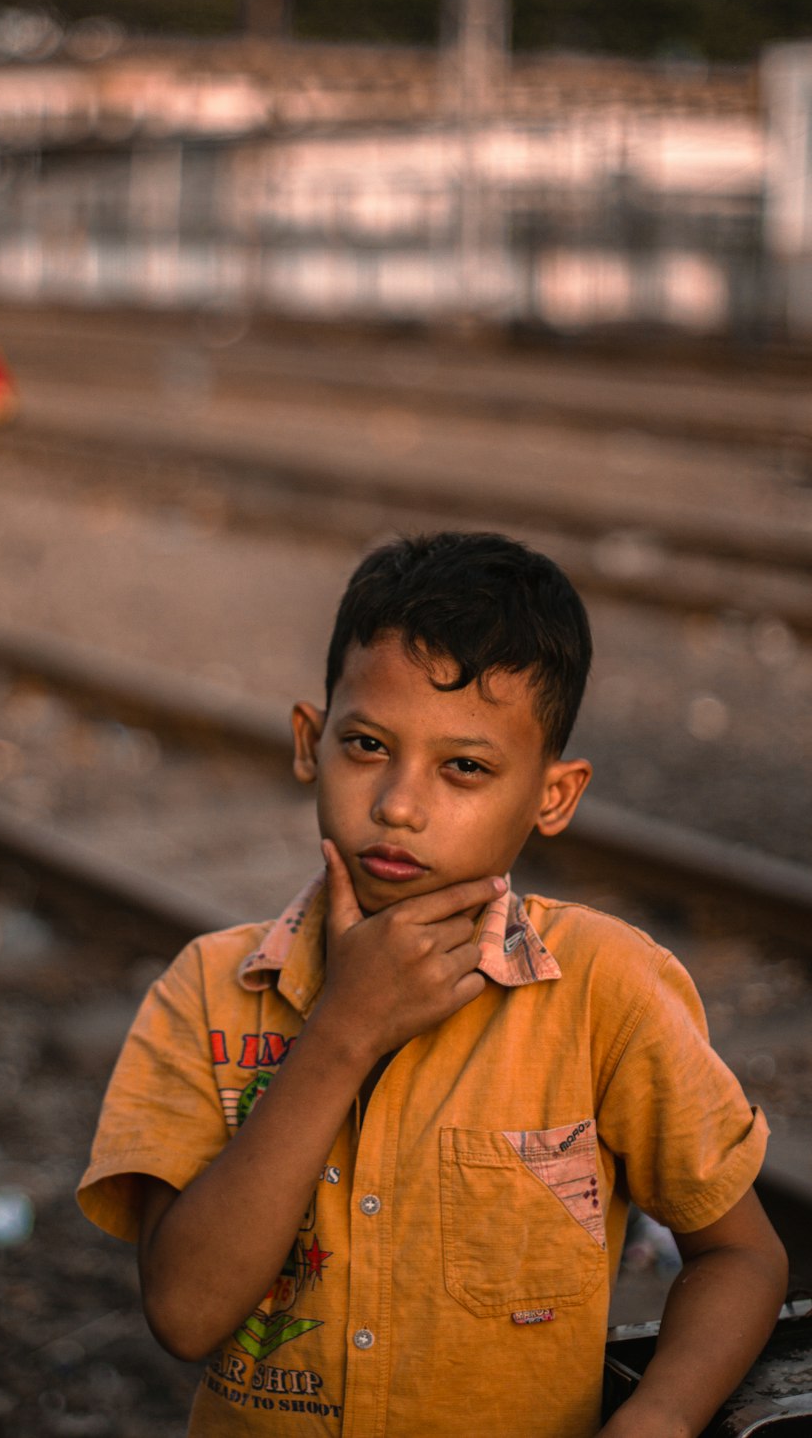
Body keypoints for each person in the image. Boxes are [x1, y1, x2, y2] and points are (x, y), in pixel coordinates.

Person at [77, 531, 786, 1437]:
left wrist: (663, 1417)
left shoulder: (603, 990)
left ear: (553, 797)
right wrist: (341, 1034)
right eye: (367, 745)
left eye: (466, 768)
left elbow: (741, 1257)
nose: (400, 804)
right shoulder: (209, 990)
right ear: (310, 742)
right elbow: (184, 1312)